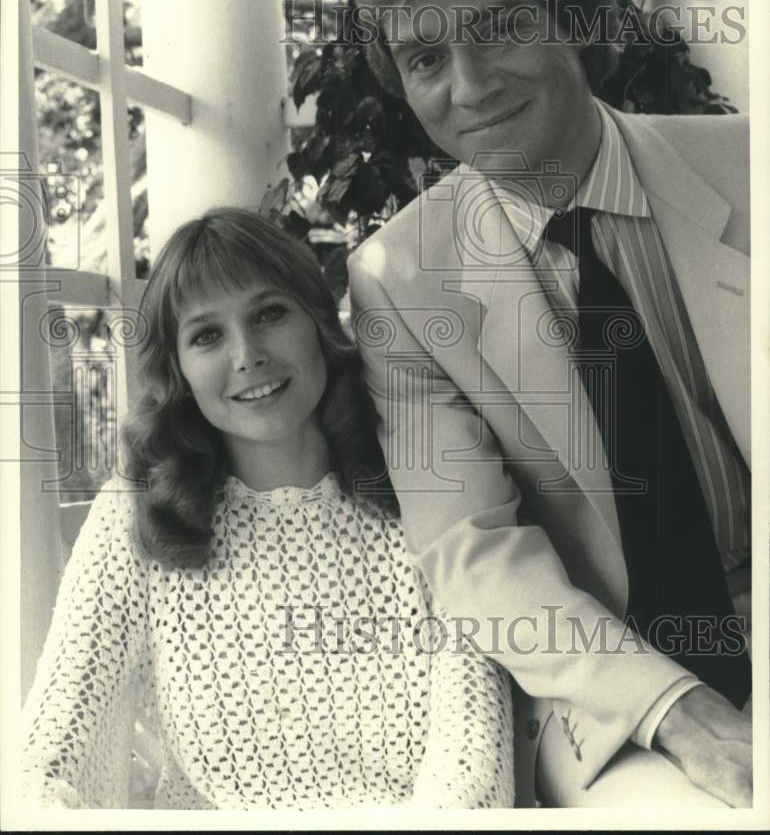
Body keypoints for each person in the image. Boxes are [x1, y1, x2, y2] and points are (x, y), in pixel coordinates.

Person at [347, 0, 752, 808]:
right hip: (621, 696)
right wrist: (678, 707)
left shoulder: (752, 171)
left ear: (575, 19)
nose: (470, 86)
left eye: (497, 30)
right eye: (425, 60)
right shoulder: (397, 284)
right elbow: (471, 552)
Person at [21, 207, 514, 810]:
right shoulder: (135, 514)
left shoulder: (424, 486)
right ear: (177, 369)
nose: (247, 354)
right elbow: (58, 739)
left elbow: (473, 759)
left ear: (317, 321)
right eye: (207, 335)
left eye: (269, 314)